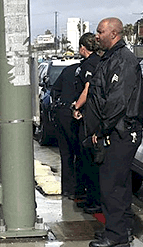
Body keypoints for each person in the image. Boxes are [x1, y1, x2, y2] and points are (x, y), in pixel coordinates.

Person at [84, 17, 143, 247]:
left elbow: (116, 102)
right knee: (116, 184)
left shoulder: (123, 60)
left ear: (114, 34)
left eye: (100, 31)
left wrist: (100, 130)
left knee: (112, 185)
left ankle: (117, 235)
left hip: (120, 132)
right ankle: (118, 228)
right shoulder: (110, 58)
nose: (96, 35)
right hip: (114, 131)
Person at [71, 33, 102, 215]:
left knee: (90, 159)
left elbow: (88, 88)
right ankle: (90, 198)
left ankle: (95, 200)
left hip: (90, 117)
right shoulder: (93, 62)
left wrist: (76, 106)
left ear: (83, 47)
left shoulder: (91, 64)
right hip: (89, 115)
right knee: (86, 159)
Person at [50, 62, 82, 201]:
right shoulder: (93, 68)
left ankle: (68, 189)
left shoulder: (69, 70)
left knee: (66, 154)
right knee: (81, 154)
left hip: (63, 113)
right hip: (77, 114)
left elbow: (54, 91)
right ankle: (79, 189)